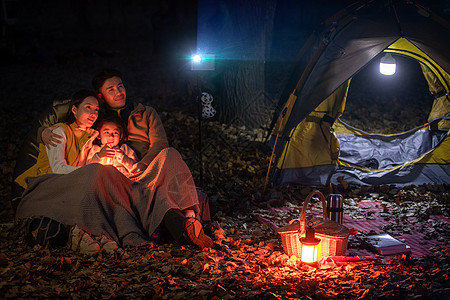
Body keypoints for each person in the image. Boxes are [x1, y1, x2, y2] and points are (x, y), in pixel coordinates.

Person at [14, 70, 213, 252]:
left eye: (121, 86)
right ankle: (176, 229)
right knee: (109, 179)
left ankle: (189, 218)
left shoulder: (145, 113)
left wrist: (137, 165)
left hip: (142, 168)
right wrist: (43, 132)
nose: (118, 92)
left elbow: (159, 144)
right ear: (101, 97)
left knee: (170, 154)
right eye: (111, 90)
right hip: (113, 176)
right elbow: (67, 129)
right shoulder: (97, 121)